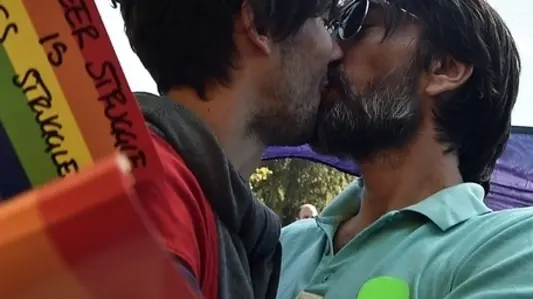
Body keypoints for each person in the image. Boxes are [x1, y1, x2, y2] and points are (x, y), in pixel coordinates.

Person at [277, 0, 533, 298]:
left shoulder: (509, 248)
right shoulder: (285, 243)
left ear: (444, 67)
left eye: (356, 24)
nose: (331, 49)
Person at [110, 0, 342, 298]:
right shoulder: (153, 186)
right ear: (260, 26)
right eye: (326, 23)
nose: (336, 52)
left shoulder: (208, 206)